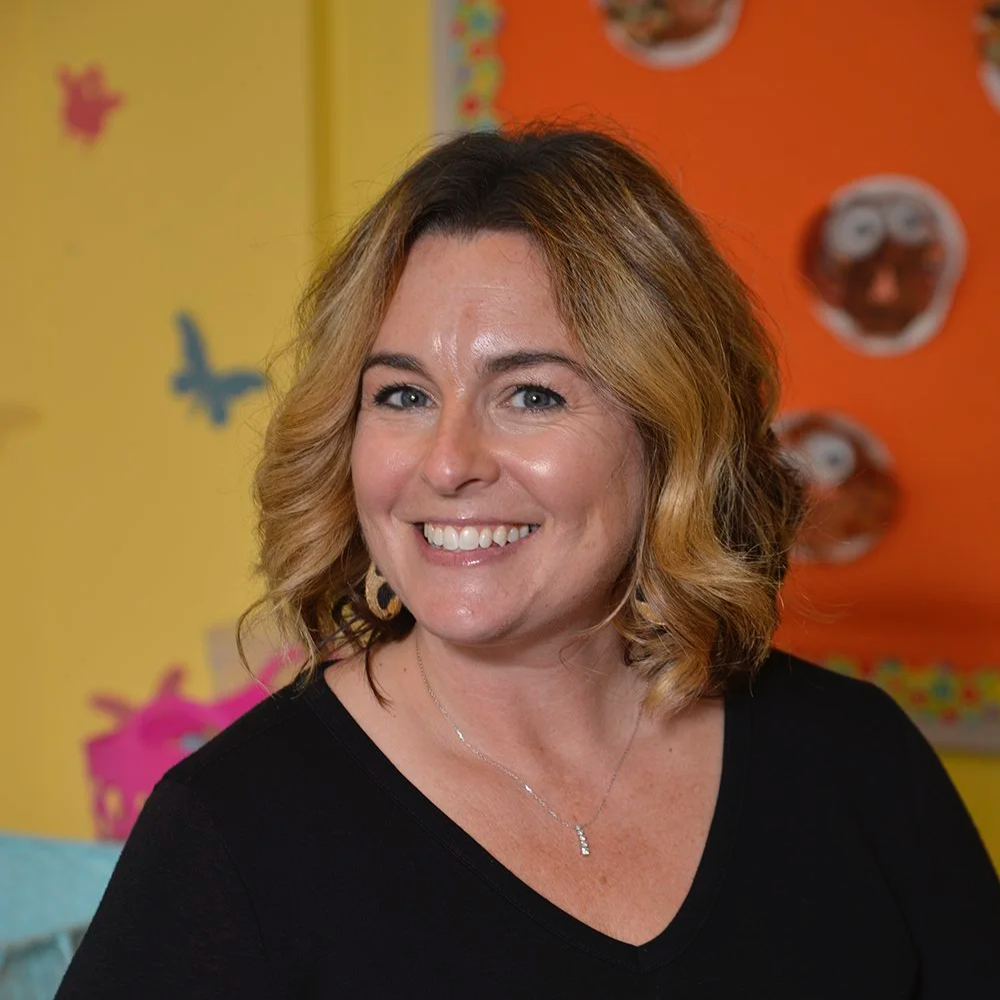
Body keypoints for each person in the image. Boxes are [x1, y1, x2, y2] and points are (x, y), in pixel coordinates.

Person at [56, 126, 1000, 998]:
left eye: (533, 396)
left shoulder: (856, 762)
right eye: (401, 395)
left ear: (671, 428)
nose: (450, 461)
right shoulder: (229, 831)